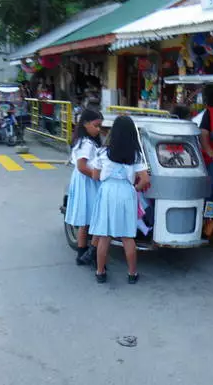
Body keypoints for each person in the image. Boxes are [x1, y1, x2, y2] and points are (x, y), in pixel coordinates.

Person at [90, 116, 150, 284]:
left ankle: (100, 272)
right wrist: (134, 189)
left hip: (107, 191)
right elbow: (145, 179)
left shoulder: (103, 152)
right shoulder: (136, 154)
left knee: (104, 235)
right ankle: (132, 274)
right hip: (126, 192)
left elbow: (95, 175)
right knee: (127, 237)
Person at [64, 109, 104, 266]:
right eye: (96, 125)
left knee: (85, 218)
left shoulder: (84, 141)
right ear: (86, 124)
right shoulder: (86, 144)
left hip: (85, 180)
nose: (99, 129)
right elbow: (81, 166)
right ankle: (90, 253)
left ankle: (82, 253)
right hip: (87, 180)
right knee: (92, 217)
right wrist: (98, 176)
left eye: (100, 126)